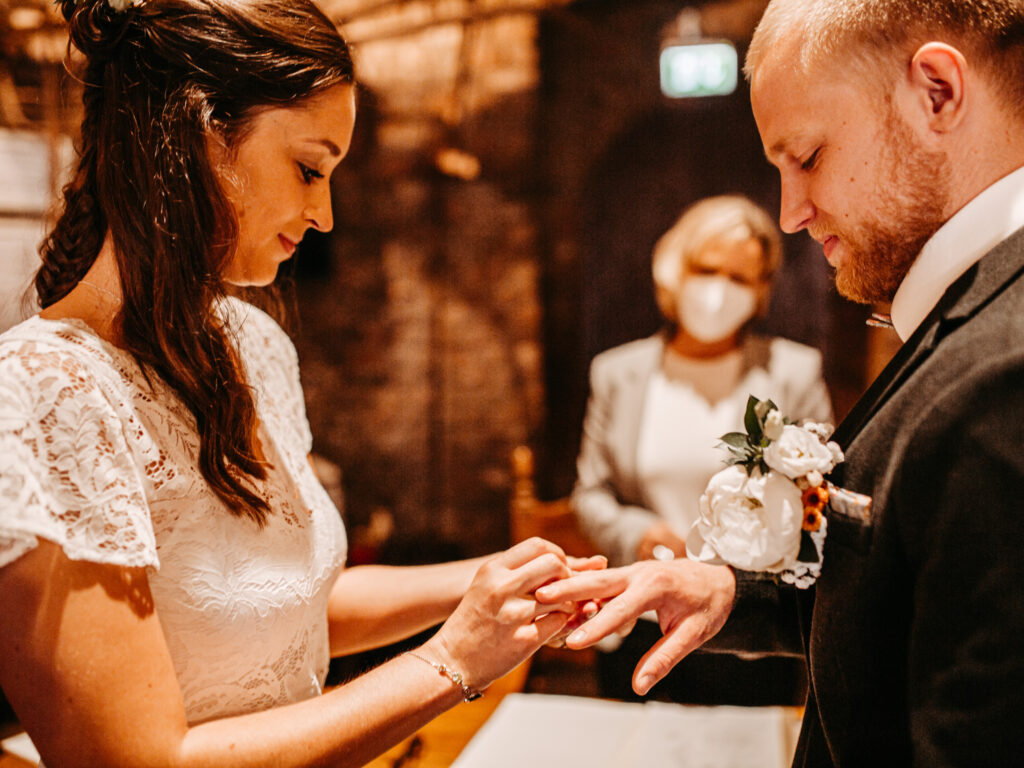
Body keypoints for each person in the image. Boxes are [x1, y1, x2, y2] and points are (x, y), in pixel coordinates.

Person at [0, 2, 601, 766]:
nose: (322, 214)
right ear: (195, 137)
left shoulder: (251, 346)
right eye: (309, 168)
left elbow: (286, 604)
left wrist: (489, 583)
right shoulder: (43, 393)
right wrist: (449, 663)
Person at [537, 0, 1024, 764]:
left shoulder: (1007, 370)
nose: (792, 214)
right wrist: (734, 593)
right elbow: (903, 594)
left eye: (808, 156)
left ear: (936, 92)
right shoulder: (973, 308)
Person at [573, 194, 830, 703]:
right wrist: (640, 534)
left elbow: (818, 496)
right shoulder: (618, 373)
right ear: (674, 270)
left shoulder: (793, 372)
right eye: (707, 269)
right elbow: (590, 493)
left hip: (753, 624)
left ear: (761, 290)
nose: (718, 291)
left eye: (739, 278)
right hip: (643, 614)